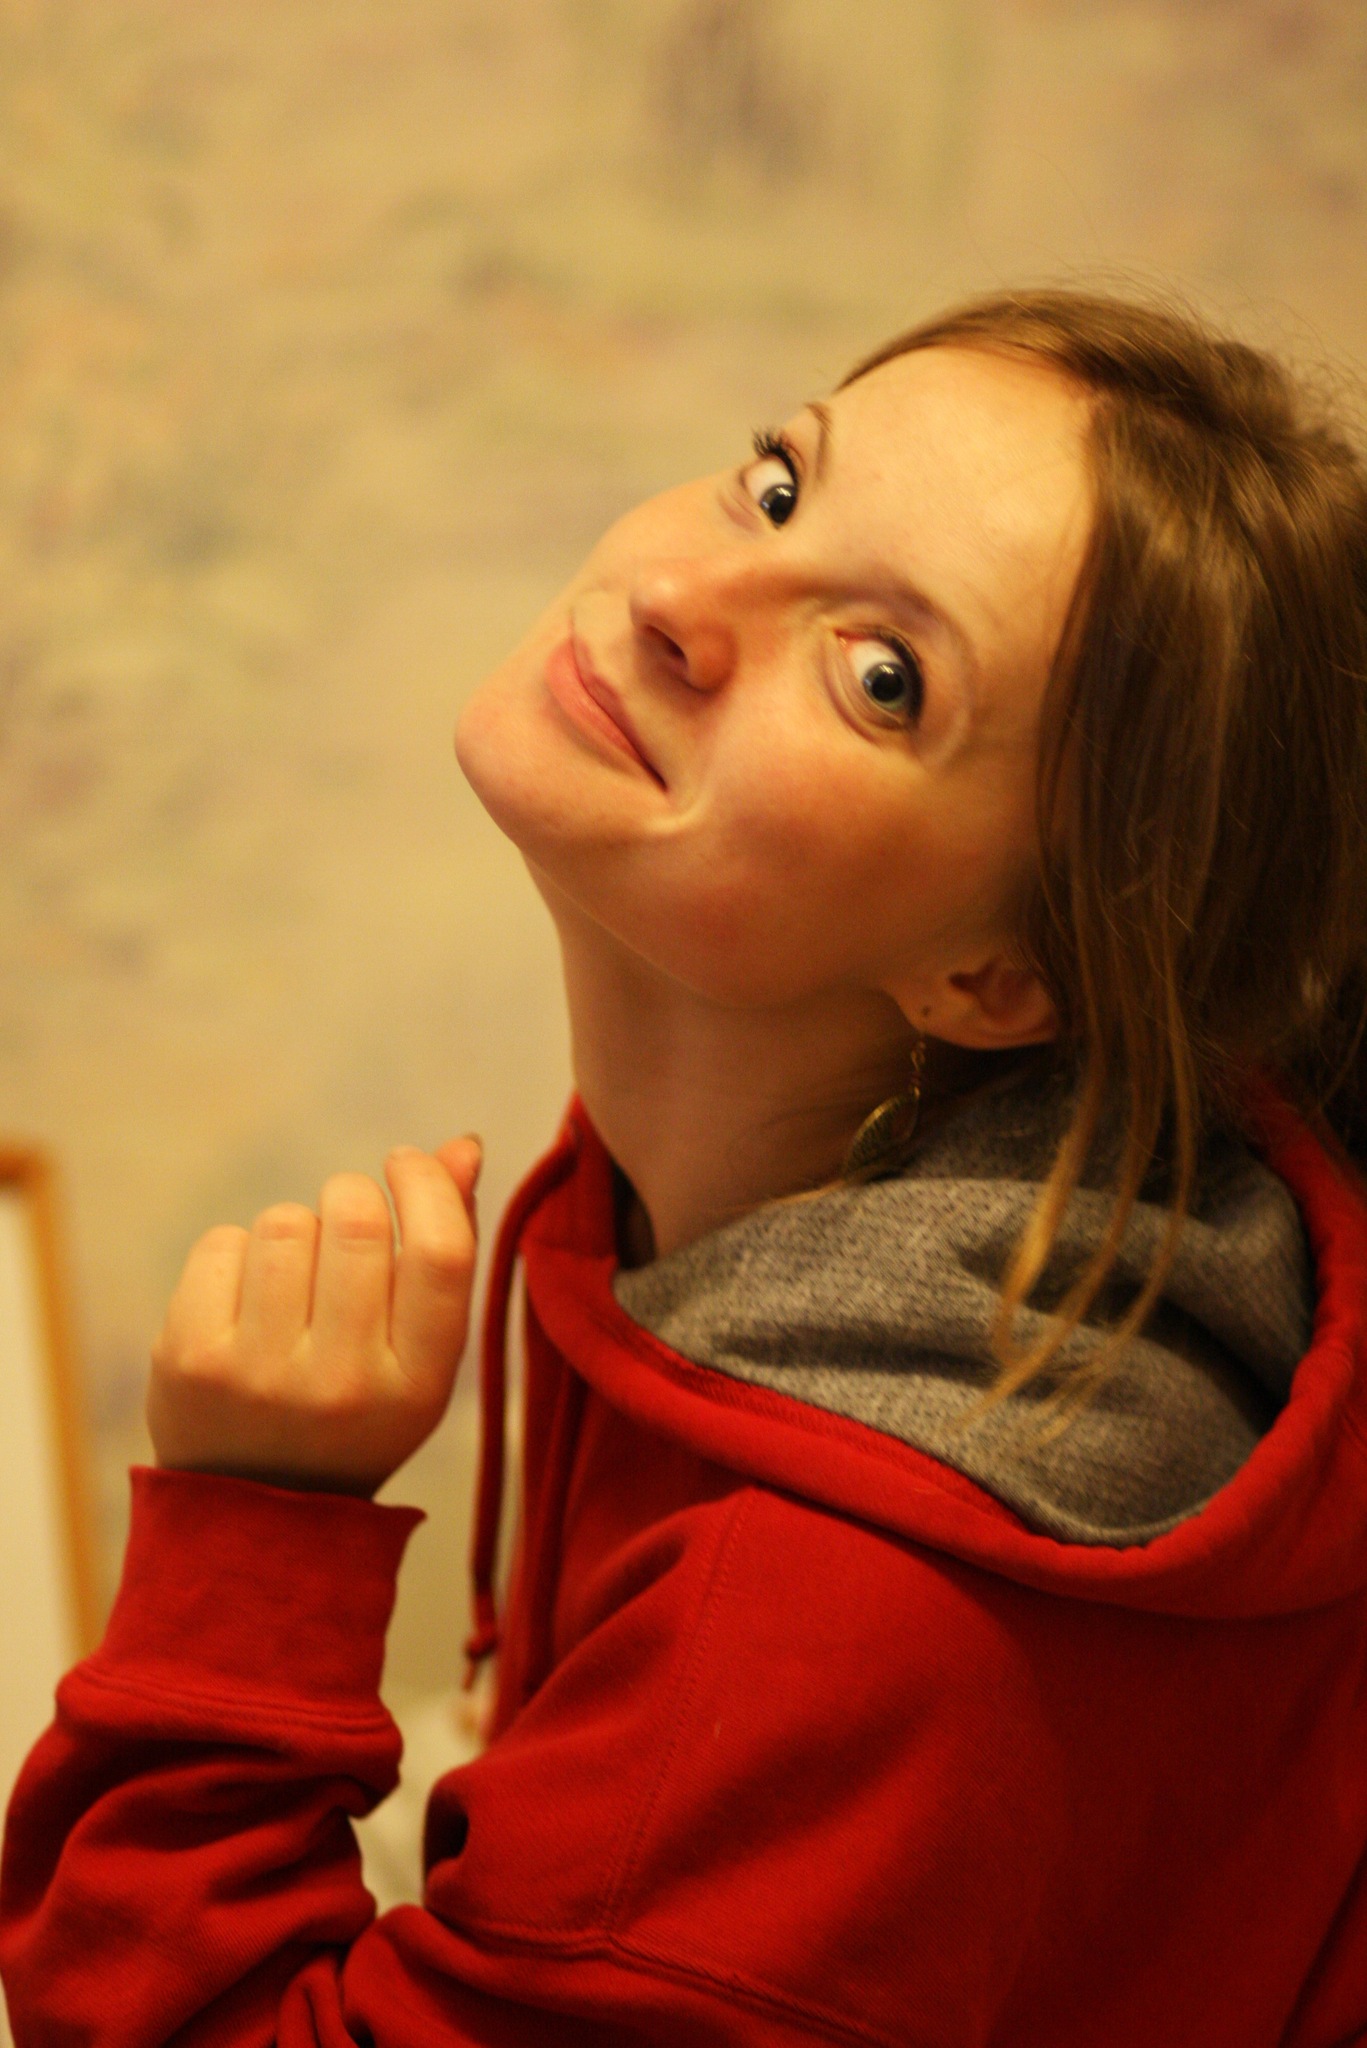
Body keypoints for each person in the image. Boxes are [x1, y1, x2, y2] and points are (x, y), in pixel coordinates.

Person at [3, 288, 1367, 2046]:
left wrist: (254, 1534)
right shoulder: (810, 1224)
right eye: (779, 486)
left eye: (884, 676)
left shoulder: (820, 1631)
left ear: (997, 978)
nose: (677, 598)